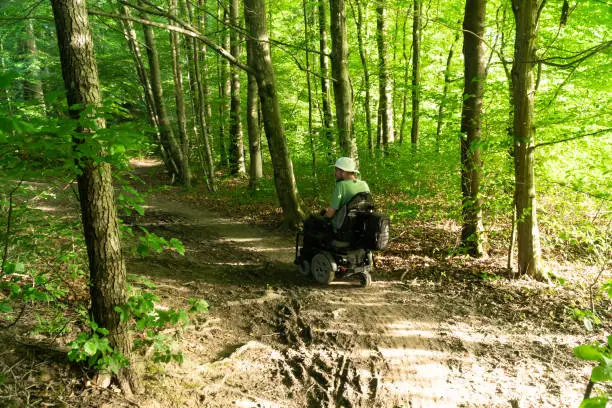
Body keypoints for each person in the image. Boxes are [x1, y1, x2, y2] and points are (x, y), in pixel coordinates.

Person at [300, 157, 370, 257]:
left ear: (343, 172)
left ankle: (306, 257)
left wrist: (322, 218)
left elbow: (331, 213)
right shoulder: (364, 185)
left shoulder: (341, 186)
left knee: (310, 222)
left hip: (341, 230)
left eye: (336, 170)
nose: (334, 173)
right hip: (358, 229)